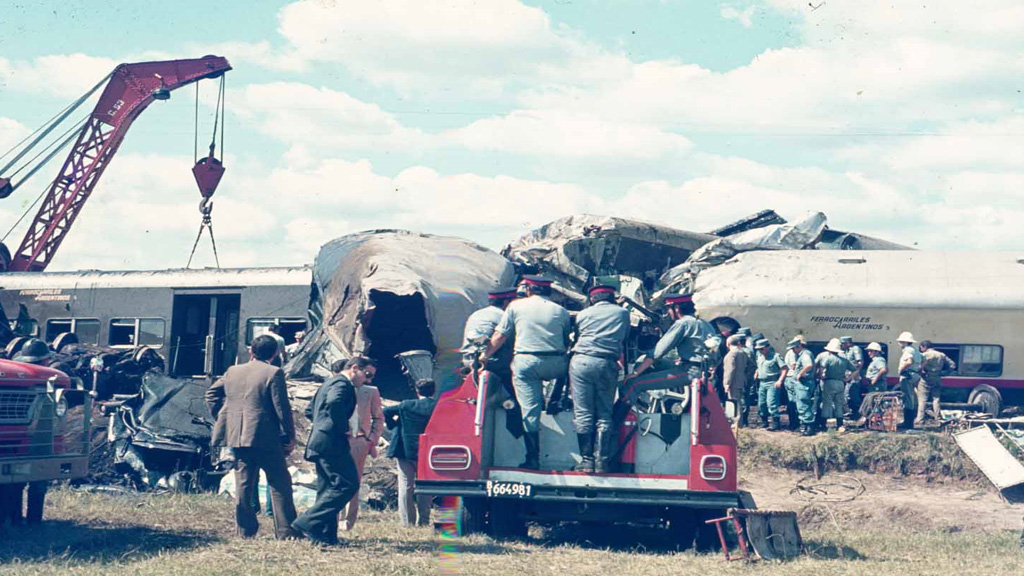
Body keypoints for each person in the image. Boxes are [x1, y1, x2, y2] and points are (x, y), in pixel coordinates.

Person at [206, 335, 298, 540]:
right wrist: (290, 436)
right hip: (265, 437)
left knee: (244, 484)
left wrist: (225, 417)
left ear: (251, 351)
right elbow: (281, 407)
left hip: (237, 435)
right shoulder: (274, 372)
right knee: (279, 482)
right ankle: (285, 531)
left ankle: (245, 531)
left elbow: (211, 394)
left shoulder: (233, 371)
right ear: (274, 354)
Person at [485, 275, 571, 470]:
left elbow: (500, 336)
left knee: (529, 411)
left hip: (526, 361)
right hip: (555, 362)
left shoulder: (515, 307)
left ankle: (533, 458)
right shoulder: (562, 311)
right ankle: (555, 400)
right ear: (548, 291)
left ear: (530, 289)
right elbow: (566, 341)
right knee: (568, 368)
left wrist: (484, 355)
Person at [292, 356, 375, 545]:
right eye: (367, 375)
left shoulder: (328, 382)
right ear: (354, 368)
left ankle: (325, 537)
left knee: (328, 489)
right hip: (331, 443)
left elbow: (308, 411)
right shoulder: (342, 384)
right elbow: (334, 402)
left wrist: (322, 425)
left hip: (321, 441)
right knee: (348, 484)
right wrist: (342, 427)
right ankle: (307, 522)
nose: (368, 380)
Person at [569, 284, 630, 473]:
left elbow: (577, 336)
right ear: (611, 298)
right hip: (608, 363)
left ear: (593, 299)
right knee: (605, 413)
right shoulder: (622, 314)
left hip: (582, 362)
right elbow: (625, 338)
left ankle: (586, 461)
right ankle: (602, 461)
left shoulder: (583, 314)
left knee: (583, 413)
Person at [6, 339, 54, 525]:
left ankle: (15, 519)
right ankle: (33, 521)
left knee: (15, 480)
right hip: (39, 435)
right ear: (45, 361)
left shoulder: (14, 379)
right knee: (37, 481)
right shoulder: (48, 379)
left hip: (17, 436)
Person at [384, 379, 438, 526]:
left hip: (405, 450)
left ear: (416, 390)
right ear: (434, 390)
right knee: (425, 485)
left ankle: (407, 521)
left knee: (405, 485)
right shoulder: (438, 407)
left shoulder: (406, 405)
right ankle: (424, 520)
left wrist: (394, 425)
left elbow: (386, 411)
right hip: (428, 451)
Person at [631, 293, 716, 382]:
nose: (667, 312)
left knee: (633, 385)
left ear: (677, 308)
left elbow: (657, 352)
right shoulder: (705, 323)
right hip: (703, 369)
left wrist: (635, 373)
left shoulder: (682, 323)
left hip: (689, 371)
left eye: (668, 308)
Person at [342, 359, 384, 532]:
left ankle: (347, 520)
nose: (369, 379)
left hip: (359, 440)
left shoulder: (370, 391)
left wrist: (371, 439)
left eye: (372, 376)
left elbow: (378, 417)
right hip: (339, 439)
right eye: (367, 374)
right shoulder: (339, 387)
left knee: (353, 482)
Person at [461, 287, 519, 384]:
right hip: (492, 363)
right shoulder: (504, 316)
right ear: (506, 302)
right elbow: (510, 340)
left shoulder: (476, 314)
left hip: (468, 361)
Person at [815, 338, 854, 432]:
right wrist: (848, 378)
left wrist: (821, 376)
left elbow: (821, 369)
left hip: (829, 382)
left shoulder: (828, 358)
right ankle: (840, 424)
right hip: (841, 383)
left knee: (827, 403)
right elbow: (855, 369)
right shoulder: (844, 359)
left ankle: (824, 425)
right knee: (839, 404)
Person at [917, 340, 956, 426]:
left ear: (924, 347)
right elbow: (952, 365)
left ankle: (920, 419)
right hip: (937, 377)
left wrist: (920, 372)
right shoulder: (941, 355)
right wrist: (945, 373)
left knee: (922, 399)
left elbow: (918, 367)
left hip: (925, 378)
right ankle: (938, 418)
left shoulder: (923, 355)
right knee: (936, 399)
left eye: (921, 348)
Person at [754, 338, 788, 431]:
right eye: (758, 349)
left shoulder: (775, 357)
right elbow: (760, 366)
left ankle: (775, 423)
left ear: (767, 347)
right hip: (762, 383)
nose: (760, 351)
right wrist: (757, 372)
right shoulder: (760, 357)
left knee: (771, 403)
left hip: (772, 382)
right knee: (761, 404)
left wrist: (780, 380)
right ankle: (764, 422)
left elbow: (784, 369)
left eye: (762, 349)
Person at [785, 338, 817, 436]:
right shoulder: (805, 354)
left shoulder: (805, 355)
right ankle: (806, 426)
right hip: (804, 383)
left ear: (798, 347)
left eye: (793, 349)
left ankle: (809, 427)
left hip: (804, 383)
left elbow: (809, 365)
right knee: (802, 404)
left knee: (803, 404)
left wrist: (800, 374)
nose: (793, 351)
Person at [896, 331, 923, 428]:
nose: (899, 344)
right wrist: (919, 369)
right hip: (914, 375)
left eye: (900, 342)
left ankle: (907, 423)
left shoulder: (908, 350)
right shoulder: (915, 350)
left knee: (907, 398)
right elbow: (925, 360)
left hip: (907, 375)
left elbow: (909, 361)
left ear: (904, 342)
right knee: (911, 398)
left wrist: (901, 370)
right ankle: (909, 422)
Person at [722, 335, 751, 426]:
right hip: (741, 381)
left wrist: (727, 383)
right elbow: (751, 366)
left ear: (728, 344)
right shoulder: (742, 353)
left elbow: (730, 369)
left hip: (733, 382)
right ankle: (739, 422)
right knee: (738, 402)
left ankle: (736, 423)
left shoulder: (731, 354)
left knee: (734, 402)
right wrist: (745, 376)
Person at [840, 336, 864, 418]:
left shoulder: (855, 349)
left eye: (843, 343)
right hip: (847, 376)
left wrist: (855, 374)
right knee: (847, 395)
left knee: (853, 395)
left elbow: (860, 363)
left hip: (854, 376)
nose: (842, 345)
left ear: (848, 343)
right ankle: (850, 412)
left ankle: (857, 413)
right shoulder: (846, 351)